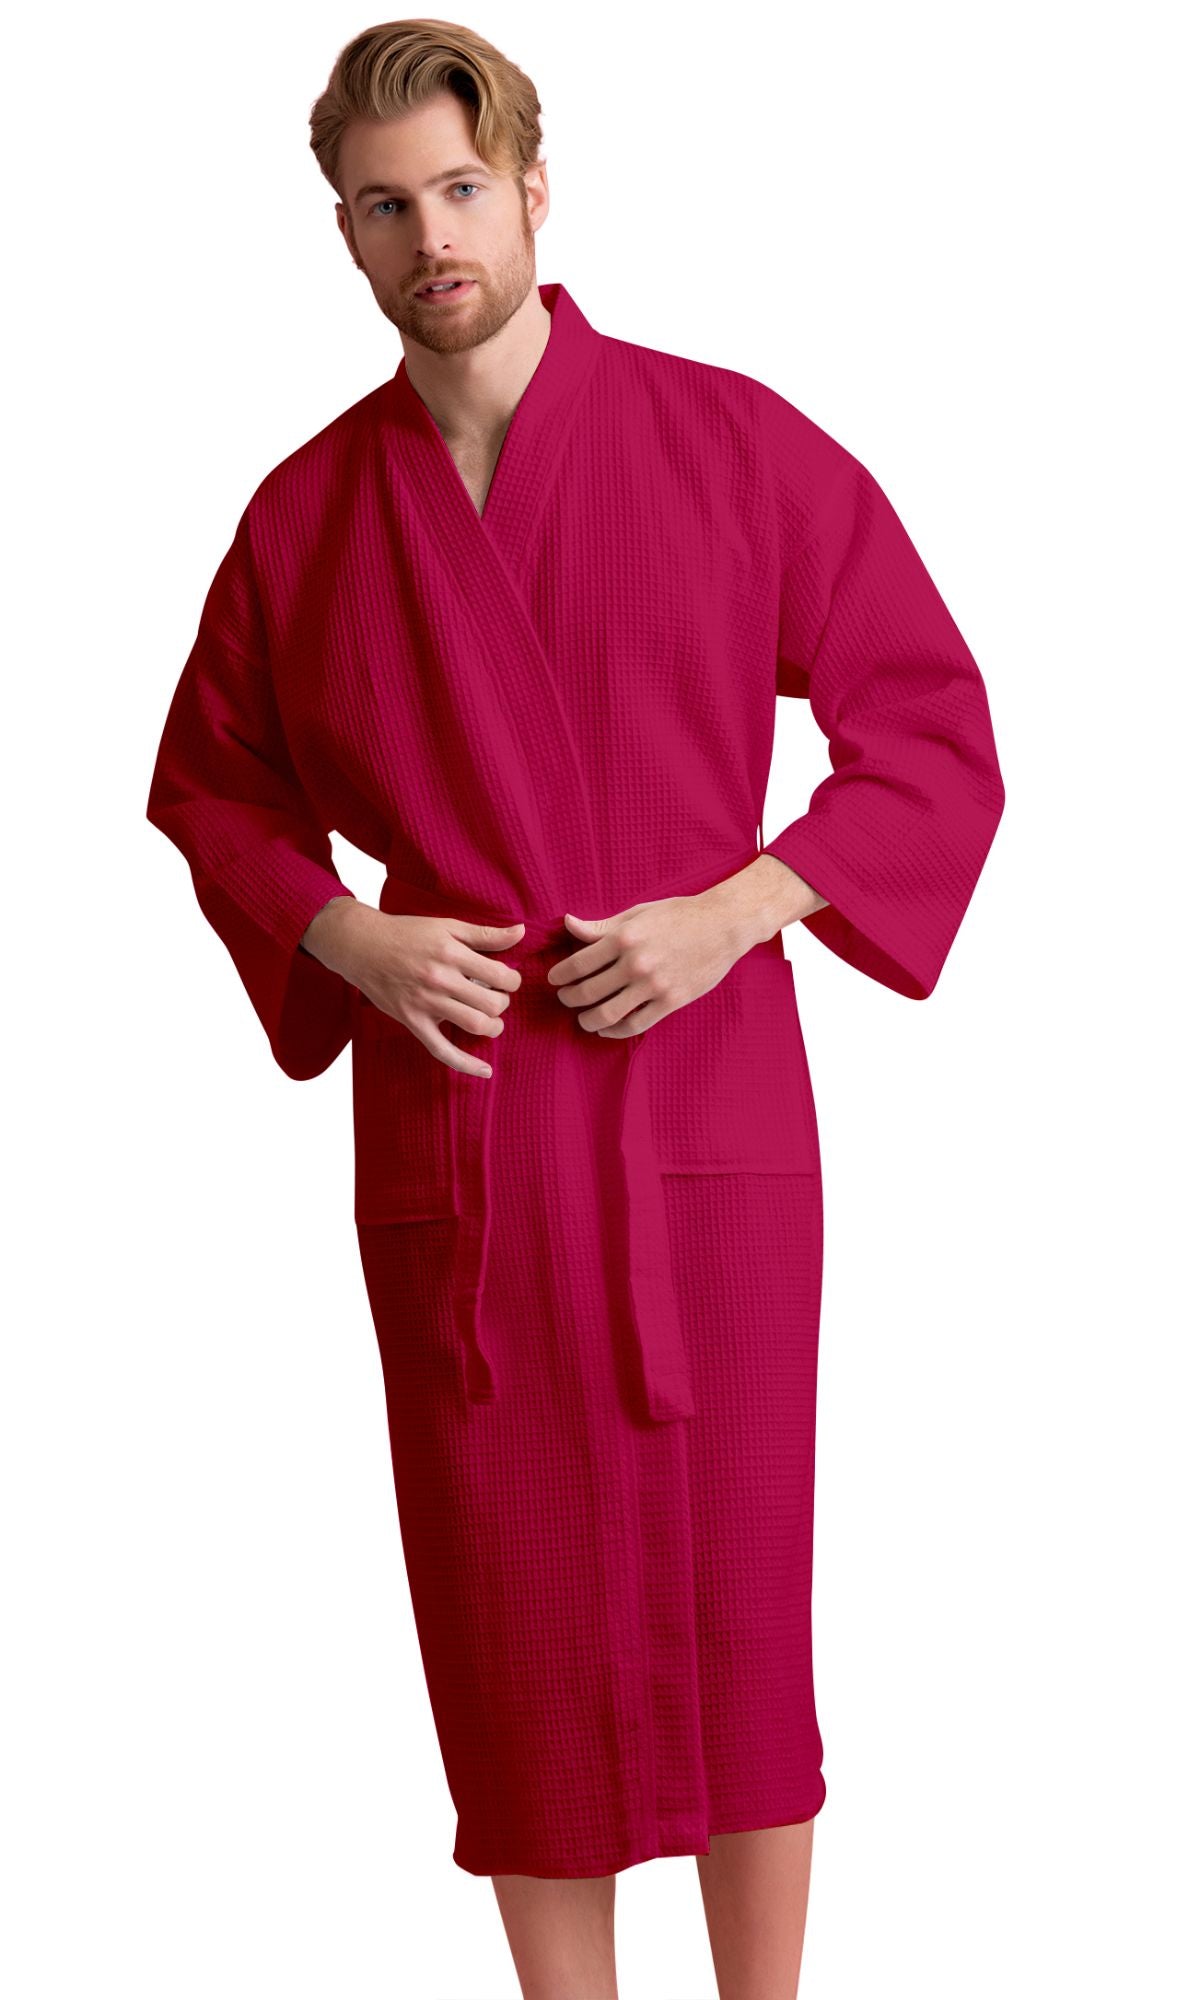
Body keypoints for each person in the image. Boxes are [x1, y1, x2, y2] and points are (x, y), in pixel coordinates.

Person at [145, 20, 1005, 1999]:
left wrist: (742, 907)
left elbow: (932, 726)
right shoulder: (306, 516)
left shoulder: (732, 444)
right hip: (462, 1123)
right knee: (508, 1609)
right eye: (385, 206)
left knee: (737, 1597)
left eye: (461, 188)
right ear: (344, 234)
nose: (431, 235)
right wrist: (345, 936)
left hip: (702, 1104)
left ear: (534, 189)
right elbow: (212, 786)